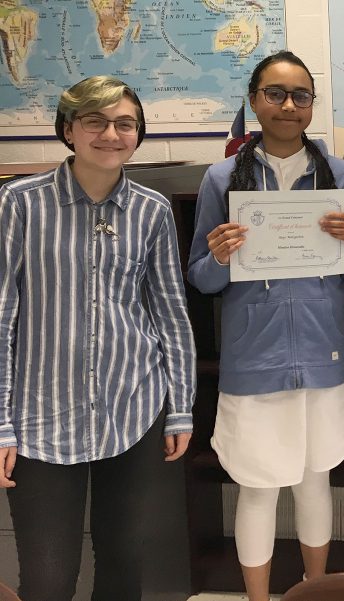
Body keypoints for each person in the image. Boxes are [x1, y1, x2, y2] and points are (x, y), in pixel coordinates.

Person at [0, 76, 196, 601]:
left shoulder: (151, 210)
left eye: (125, 124)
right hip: (40, 415)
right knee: (47, 575)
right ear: (69, 129)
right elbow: (1, 316)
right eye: (96, 122)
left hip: (132, 407)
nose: (111, 134)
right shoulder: (20, 203)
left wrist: (180, 409)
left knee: (125, 566)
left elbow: (170, 314)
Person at [187, 50, 344, 601]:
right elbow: (201, 278)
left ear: (312, 105)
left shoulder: (338, 173)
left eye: (300, 95)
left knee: (316, 481)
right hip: (255, 359)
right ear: (254, 101)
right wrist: (220, 256)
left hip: (323, 354)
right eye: (275, 94)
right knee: (258, 488)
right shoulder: (222, 178)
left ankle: (316, 590)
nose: (288, 105)